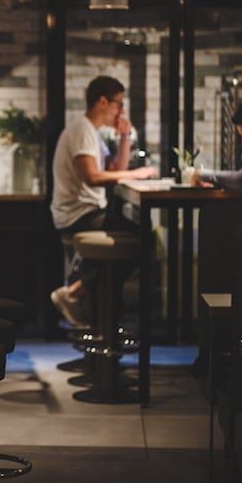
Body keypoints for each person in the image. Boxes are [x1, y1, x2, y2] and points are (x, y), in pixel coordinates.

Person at [49, 76, 158, 326]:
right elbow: (94, 177)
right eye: (119, 104)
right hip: (78, 215)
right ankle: (77, 294)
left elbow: (115, 169)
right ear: (102, 102)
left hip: (87, 211)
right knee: (143, 239)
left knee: (139, 238)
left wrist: (125, 136)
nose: (121, 111)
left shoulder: (93, 133)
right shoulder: (82, 130)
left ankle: (92, 303)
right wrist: (136, 174)